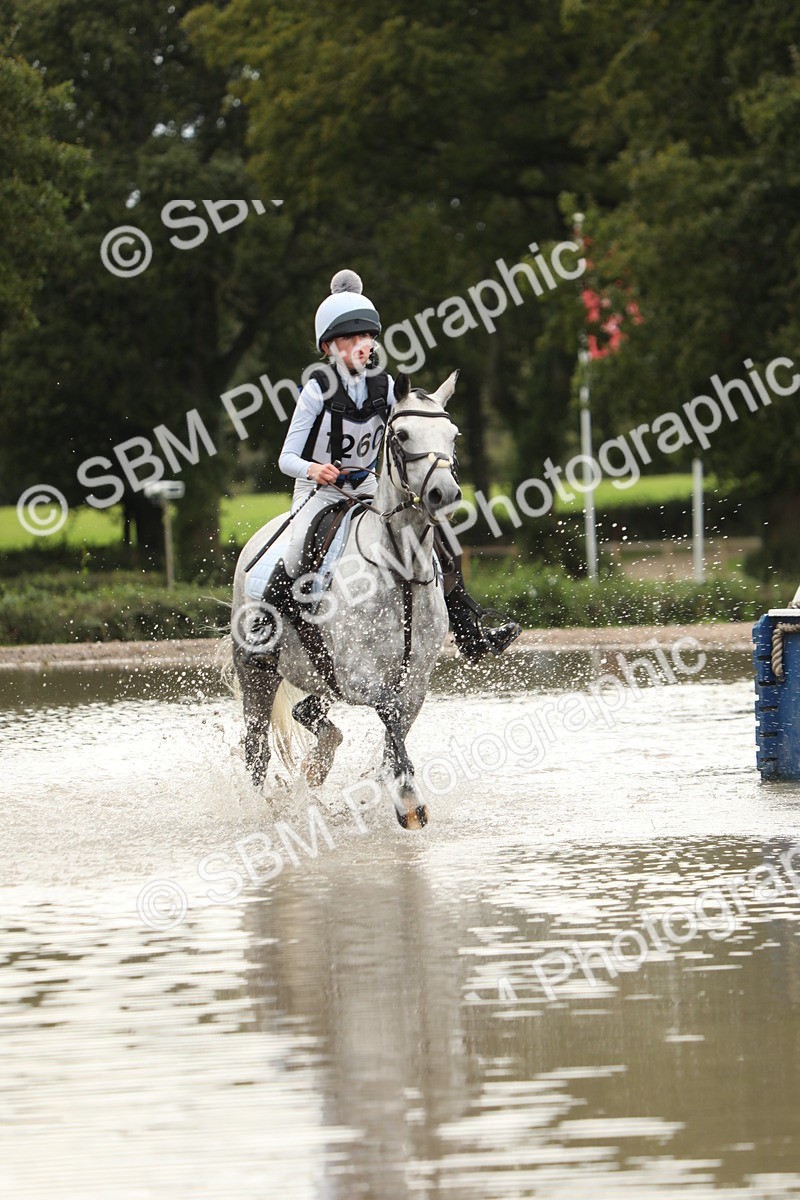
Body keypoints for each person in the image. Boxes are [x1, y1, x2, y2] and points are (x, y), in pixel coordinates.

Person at [243, 270, 521, 665]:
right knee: (296, 554)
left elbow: (410, 423)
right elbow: (285, 459)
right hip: (319, 492)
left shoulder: (387, 387)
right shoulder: (315, 391)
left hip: (370, 487)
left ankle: (469, 633)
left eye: (367, 337)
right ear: (328, 346)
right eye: (350, 338)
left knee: (437, 542)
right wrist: (314, 470)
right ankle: (263, 633)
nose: (362, 345)